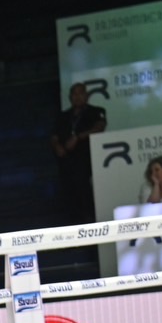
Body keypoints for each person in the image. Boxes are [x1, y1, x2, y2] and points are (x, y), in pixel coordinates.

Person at [50, 83, 107, 223]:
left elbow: (99, 128)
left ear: (86, 96)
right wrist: (57, 146)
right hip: (66, 162)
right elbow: (54, 135)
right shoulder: (63, 116)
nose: (78, 97)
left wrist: (78, 137)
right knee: (68, 195)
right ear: (70, 97)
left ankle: (90, 219)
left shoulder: (96, 111)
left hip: (87, 159)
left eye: (80, 93)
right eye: (74, 94)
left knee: (86, 192)